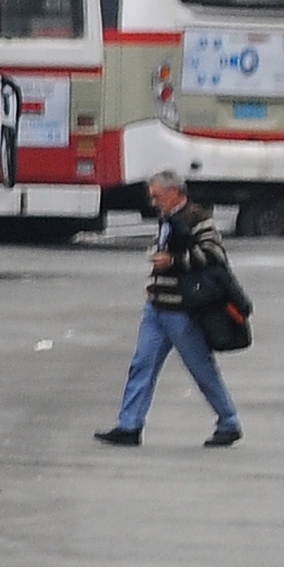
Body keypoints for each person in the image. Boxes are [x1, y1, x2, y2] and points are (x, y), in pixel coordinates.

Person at [96, 171, 241, 448]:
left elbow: (215, 255)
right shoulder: (168, 218)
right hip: (157, 306)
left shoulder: (198, 218)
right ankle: (129, 425)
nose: (153, 202)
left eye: (157, 196)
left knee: (201, 368)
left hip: (181, 310)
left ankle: (229, 421)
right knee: (142, 365)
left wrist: (174, 261)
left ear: (174, 192)